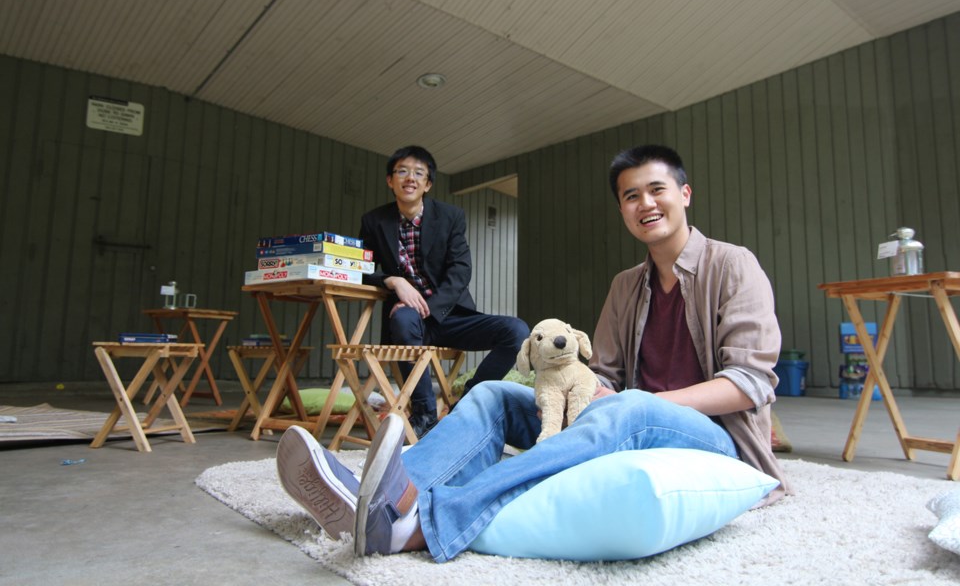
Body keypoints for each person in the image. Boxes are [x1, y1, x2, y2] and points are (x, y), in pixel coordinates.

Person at [276, 144, 790, 562]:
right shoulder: (626, 285)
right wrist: (594, 394)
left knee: (631, 405)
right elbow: (602, 375)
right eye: (631, 196)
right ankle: (383, 494)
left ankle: (421, 525)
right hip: (623, 419)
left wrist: (644, 403)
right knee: (496, 395)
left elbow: (750, 381)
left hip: (713, 440)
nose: (645, 204)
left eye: (657, 190)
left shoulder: (733, 265)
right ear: (621, 209)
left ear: (684, 193)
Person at [357, 145, 528, 437]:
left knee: (517, 331)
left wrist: (431, 310)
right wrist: (393, 281)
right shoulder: (374, 221)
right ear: (390, 180)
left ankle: (467, 403)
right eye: (402, 171)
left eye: (418, 173)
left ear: (428, 184)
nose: (410, 178)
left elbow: (460, 271)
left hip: (450, 316)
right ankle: (425, 415)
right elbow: (361, 269)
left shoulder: (450, 217)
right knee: (402, 319)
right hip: (407, 324)